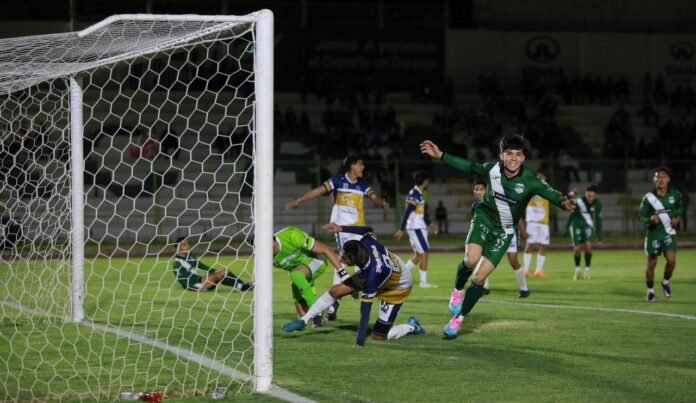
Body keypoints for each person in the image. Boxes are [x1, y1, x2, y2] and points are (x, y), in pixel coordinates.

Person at [420, 135, 575, 339]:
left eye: (518, 154)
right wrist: (441, 155)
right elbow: (469, 166)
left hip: (505, 231)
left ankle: (459, 318)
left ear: (523, 158)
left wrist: (564, 203)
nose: (513, 158)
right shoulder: (491, 169)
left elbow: (553, 195)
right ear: (501, 155)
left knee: (479, 278)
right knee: (470, 260)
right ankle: (457, 290)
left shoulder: (530, 180)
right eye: (509, 154)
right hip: (484, 219)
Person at [281, 224, 425, 347]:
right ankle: (304, 320)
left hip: (397, 288)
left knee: (379, 336)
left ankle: (412, 326)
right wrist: (341, 228)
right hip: (385, 271)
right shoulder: (366, 241)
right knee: (336, 291)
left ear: (354, 260)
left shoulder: (371, 277)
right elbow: (368, 229)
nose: (341, 259)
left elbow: (365, 311)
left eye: (344, 258)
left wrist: (359, 342)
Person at [285, 156, 390, 319]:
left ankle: (348, 290)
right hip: (342, 229)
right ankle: (336, 298)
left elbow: (374, 196)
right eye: (360, 164)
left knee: (364, 257)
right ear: (352, 166)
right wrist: (299, 200)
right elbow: (319, 191)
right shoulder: (337, 181)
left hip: (359, 228)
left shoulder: (363, 185)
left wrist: (381, 202)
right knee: (343, 259)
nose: (363, 167)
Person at [273, 226, 343, 327]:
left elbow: (326, 249)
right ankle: (330, 307)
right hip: (298, 270)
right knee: (302, 313)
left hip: (316, 259)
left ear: (274, 242)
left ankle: (317, 315)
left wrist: (343, 273)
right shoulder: (264, 256)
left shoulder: (292, 236)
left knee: (296, 275)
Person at [470, 181, 530, 298]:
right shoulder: (475, 206)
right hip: (493, 234)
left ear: (487, 190)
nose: (478, 192)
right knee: (484, 258)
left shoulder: (498, 201)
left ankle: (524, 289)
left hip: (509, 233)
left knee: (513, 261)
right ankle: (484, 287)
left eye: (481, 189)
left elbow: (516, 216)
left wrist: (523, 230)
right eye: (476, 189)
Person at [639, 166, 683, 302]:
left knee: (671, 260)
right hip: (654, 233)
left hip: (669, 232)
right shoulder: (648, 198)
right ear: (654, 180)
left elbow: (680, 208)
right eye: (657, 177)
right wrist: (650, 219)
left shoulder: (676, 195)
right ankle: (650, 290)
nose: (660, 179)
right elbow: (642, 215)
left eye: (663, 177)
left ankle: (665, 282)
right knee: (651, 263)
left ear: (668, 179)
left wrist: (677, 218)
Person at [394, 171, 439, 288]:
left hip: (418, 227)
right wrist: (401, 229)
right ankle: (423, 282)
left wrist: (430, 224)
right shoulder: (414, 194)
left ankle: (400, 275)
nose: (428, 182)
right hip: (416, 228)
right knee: (425, 253)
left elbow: (421, 214)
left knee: (418, 256)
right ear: (424, 181)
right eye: (427, 180)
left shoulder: (418, 193)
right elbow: (407, 212)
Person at [172, 236, 253, 292]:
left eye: (187, 244)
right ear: (178, 248)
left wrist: (213, 270)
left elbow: (200, 265)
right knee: (219, 275)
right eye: (184, 245)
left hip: (201, 280)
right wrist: (195, 288)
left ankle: (243, 285)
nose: (188, 246)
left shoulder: (190, 255)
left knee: (225, 271)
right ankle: (243, 287)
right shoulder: (177, 263)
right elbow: (182, 280)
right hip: (197, 285)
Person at [566, 184, 603, 280]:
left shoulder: (598, 203)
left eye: (592, 196)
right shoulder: (579, 201)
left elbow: (598, 220)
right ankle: (577, 270)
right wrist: (567, 228)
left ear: (596, 196)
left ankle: (587, 270)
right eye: (588, 195)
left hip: (587, 225)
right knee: (577, 249)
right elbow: (568, 204)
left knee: (588, 247)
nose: (590, 198)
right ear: (586, 194)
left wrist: (599, 237)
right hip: (576, 224)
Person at [523, 172, 552, 278]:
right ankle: (525, 270)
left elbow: (558, 195)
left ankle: (539, 271)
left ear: (545, 177)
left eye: (541, 176)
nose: (540, 178)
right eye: (538, 177)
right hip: (532, 221)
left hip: (544, 223)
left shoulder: (547, 189)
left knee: (544, 245)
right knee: (530, 244)